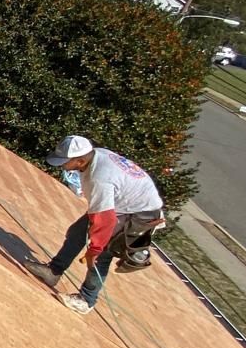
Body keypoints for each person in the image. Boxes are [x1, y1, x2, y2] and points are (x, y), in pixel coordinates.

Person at [25, 135, 165, 314]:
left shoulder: (98, 179)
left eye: (65, 162)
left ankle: (86, 300)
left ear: (80, 161)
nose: (62, 166)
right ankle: (53, 271)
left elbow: (105, 220)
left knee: (101, 256)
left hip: (138, 214)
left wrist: (94, 250)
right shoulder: (96, 155)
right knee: (77, 232)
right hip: (125, 204)